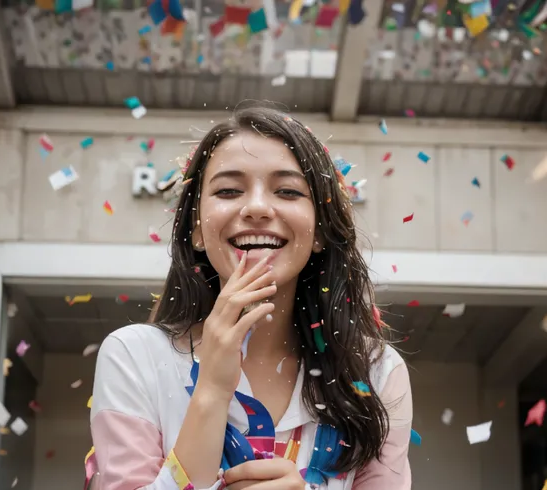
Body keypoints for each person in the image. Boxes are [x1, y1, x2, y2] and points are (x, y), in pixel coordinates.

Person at [90, 105, 413, 490]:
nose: (257, 208)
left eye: (288, 191)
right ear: (195, 228)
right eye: (228, 190)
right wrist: (211, 388)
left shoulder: (377, 371)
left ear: (320, 233)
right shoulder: (134, 356)